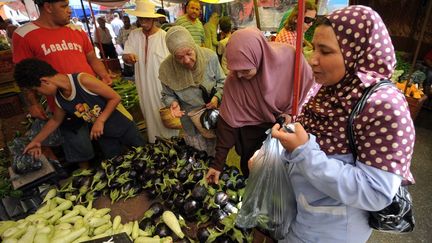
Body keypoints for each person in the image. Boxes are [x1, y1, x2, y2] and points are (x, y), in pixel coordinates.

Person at [269, 6, 415, 242]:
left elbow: (376, 192)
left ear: (356, 52)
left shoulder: (384, 105)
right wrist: (276, 156)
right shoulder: (326, 87)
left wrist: (303, 152)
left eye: (325, 51)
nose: (312, 59)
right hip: (301, 212)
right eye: (313, 48)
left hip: (333, 230)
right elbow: (306, 137)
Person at [205, 28, 315, 181]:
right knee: (254, 177)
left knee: (283, 181)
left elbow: (309, 90)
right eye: (234, 70)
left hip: (285, 133)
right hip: (251, 137)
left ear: (259, 56)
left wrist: (292, 114)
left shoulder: (290, 59)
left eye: (245, 70)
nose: (239, 75)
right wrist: (217, 164)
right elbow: (227, 123)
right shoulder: (234, 80)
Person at [14, 58, 144, 160]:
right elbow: (55, 121)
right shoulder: (59, 98)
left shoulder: (83, 80)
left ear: (44, 81)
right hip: (104, 136)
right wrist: (37, 141)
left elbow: (115, 97)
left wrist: (100, 121)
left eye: (37, 90)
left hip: (124, 126)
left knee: (144, 154)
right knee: (117, 163)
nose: (41, 94)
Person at [159, 26, 225, 156]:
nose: (187, 60)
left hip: (213, 116)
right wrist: (173, 103)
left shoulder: (209, 57)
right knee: (198, 155)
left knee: (217, 155)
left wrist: (217, 97)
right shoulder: (167, 69)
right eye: (179, 57)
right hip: (190, 121)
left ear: (193, 46)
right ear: (173, 56)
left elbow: (223, 81)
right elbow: (167, 94)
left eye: (189, 53)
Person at [122, 0, 179, 143]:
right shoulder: (134, 35)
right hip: (143, 86)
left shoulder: (164, 37)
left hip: (162, 88)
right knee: (149, 114)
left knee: (166, 117)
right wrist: (128, 57)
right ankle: (156, 146)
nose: (143, 22)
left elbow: (175, 64)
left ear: (153, 19)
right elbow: (126, 56)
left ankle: (172, 145)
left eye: (146, 18)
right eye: (140, 18)